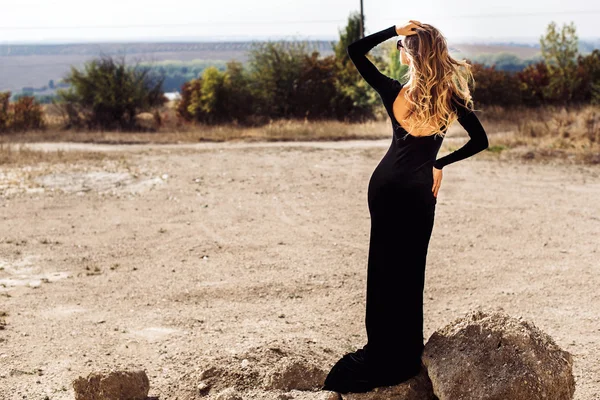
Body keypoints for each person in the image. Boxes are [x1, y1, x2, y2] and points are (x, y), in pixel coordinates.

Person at [321, 20, 489, 395]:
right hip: (416, 191)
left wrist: (394, 29)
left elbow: (354, 51)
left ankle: (381, 352)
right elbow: (480, 141)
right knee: (409, 271)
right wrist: (440, 164)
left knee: (381, 268)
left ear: (411, 55)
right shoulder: (449, 98)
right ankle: (403, 356)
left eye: (402, 48)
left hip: (383, 187)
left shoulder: (391, 91)